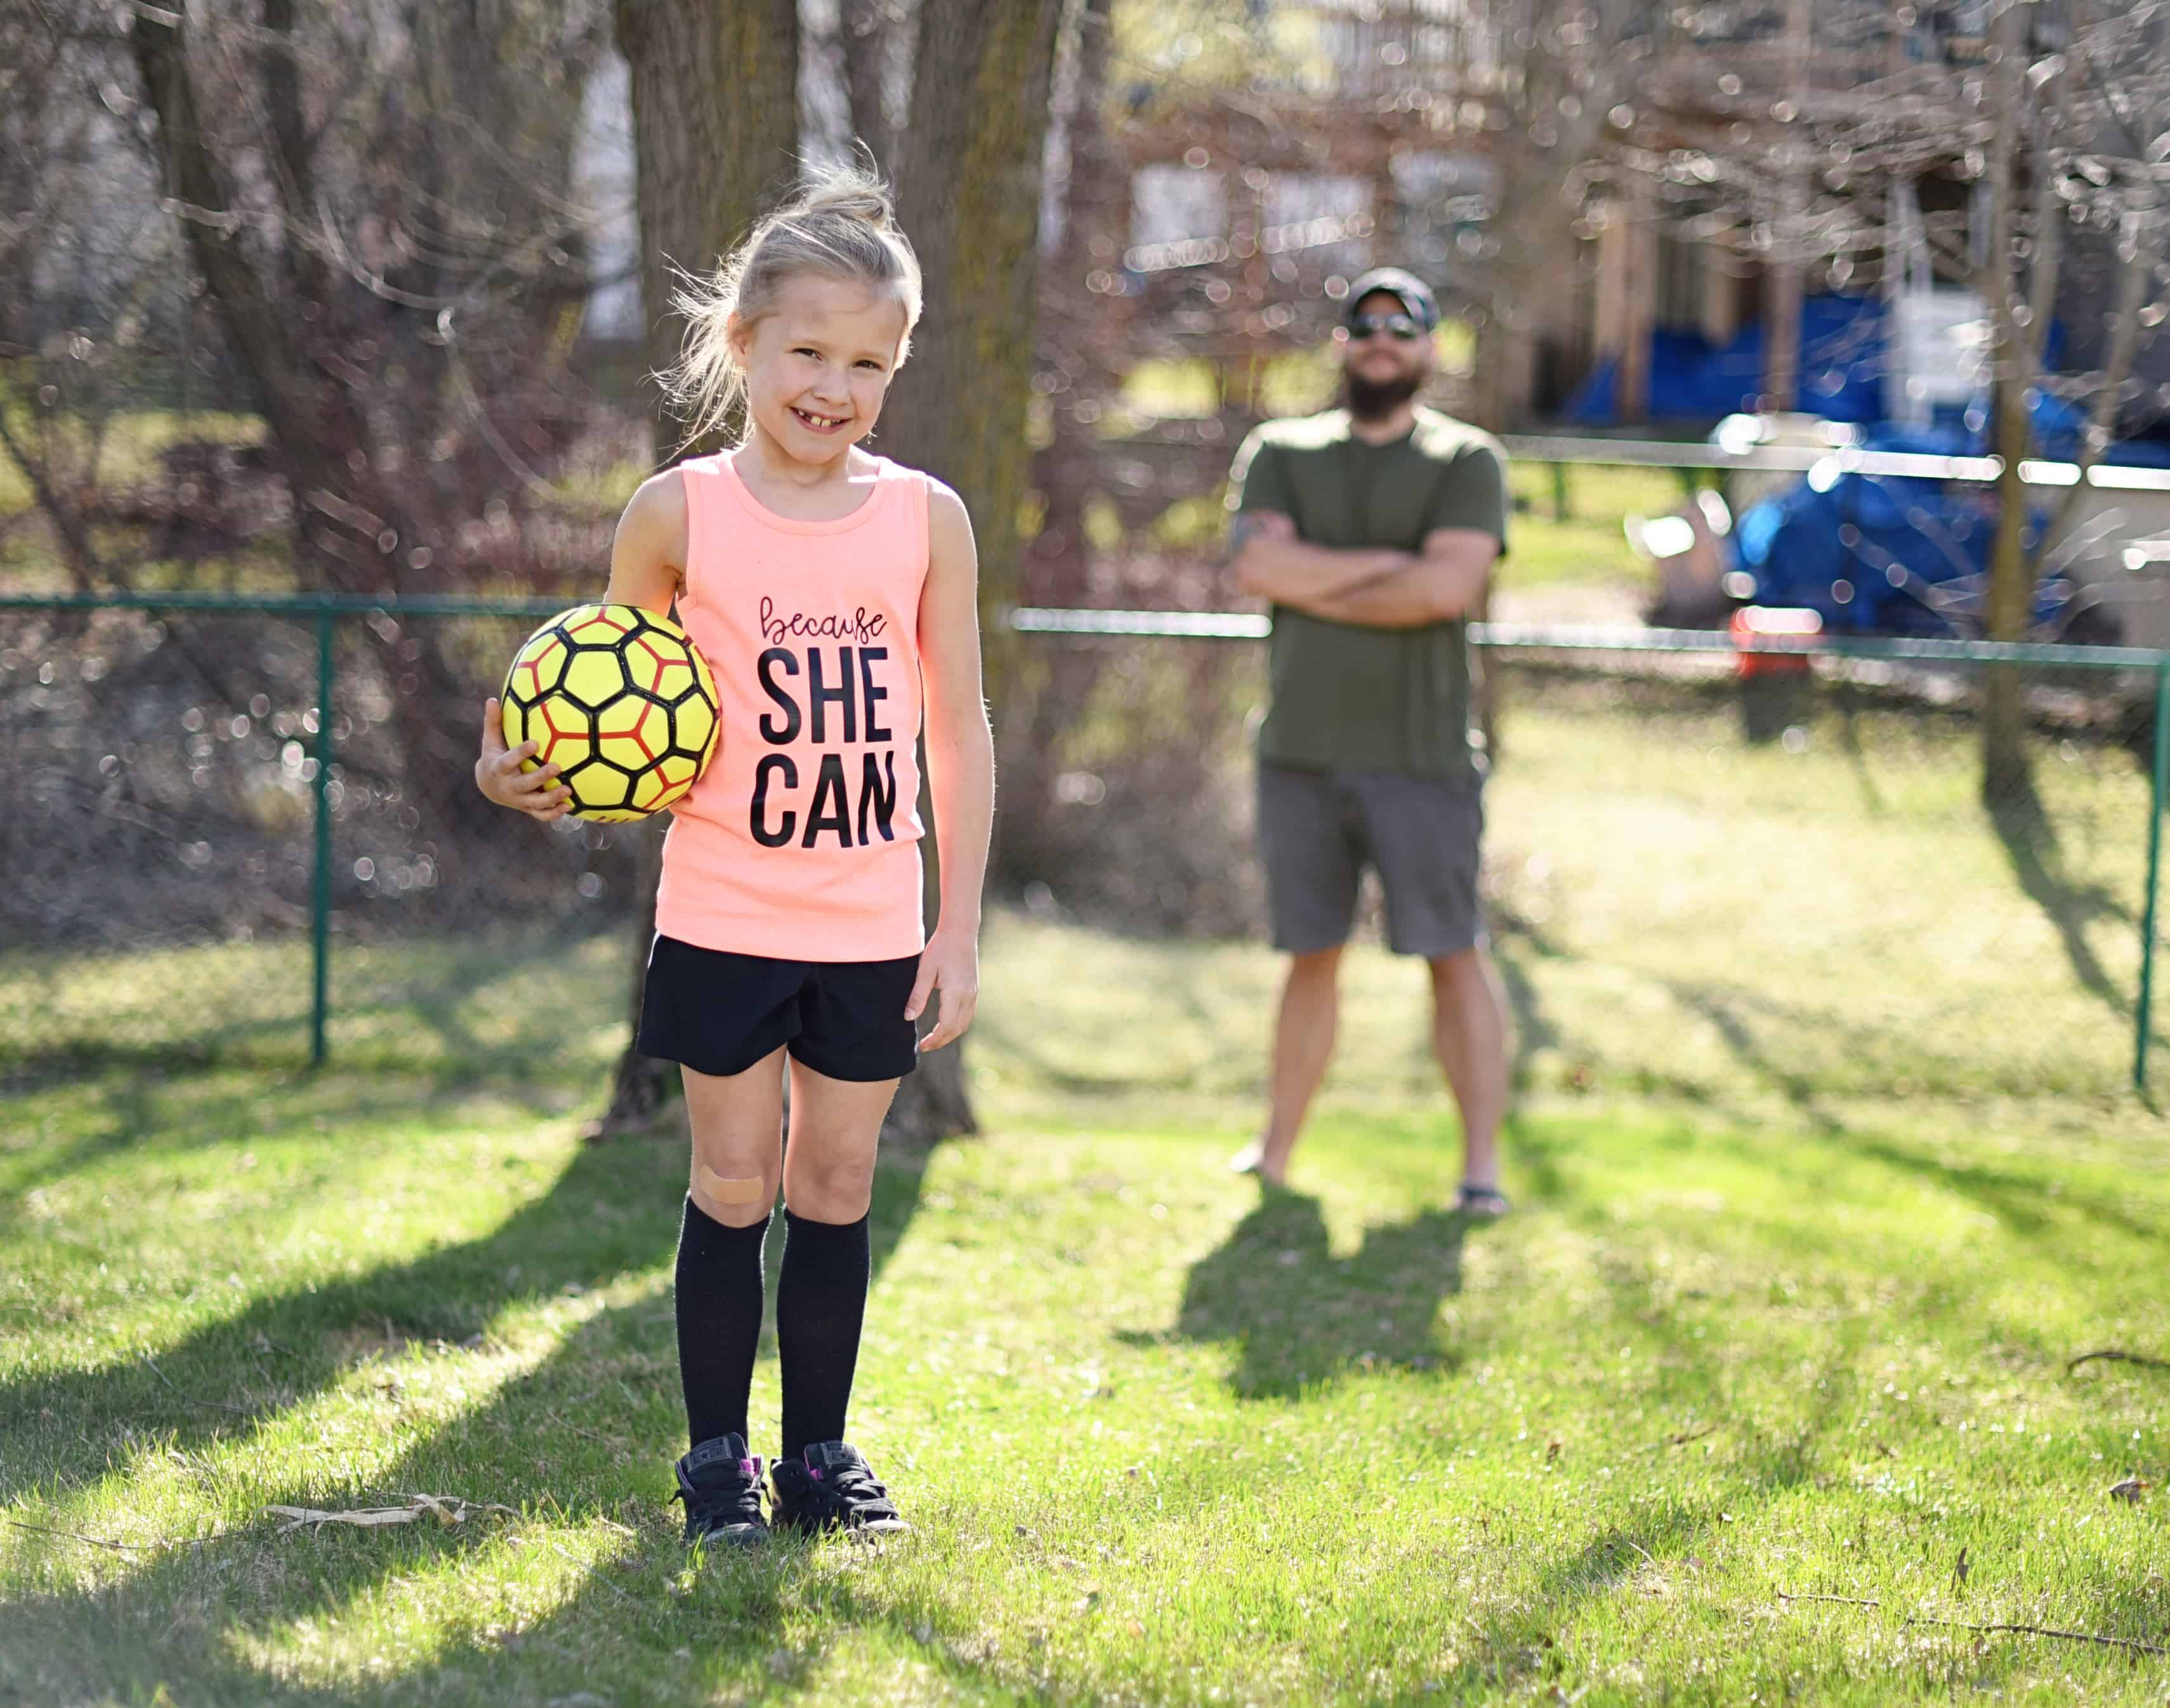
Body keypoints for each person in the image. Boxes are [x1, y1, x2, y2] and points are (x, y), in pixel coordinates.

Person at [473, 164, 994, 1546]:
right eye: (810, 351)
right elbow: (600, 705)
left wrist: (957, 924)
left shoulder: (926, 518)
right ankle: (717, 1460)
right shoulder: (677, 513)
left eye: (869, 362)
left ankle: (818, 1454)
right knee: (732, 1179)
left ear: (898, 369)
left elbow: (960, 727)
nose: (836, 385)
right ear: (745, 342)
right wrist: (513, 771)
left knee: (835, 1183)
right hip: (723, 908)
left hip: (873, 917)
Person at [1221, 267, 1513, 1216]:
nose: (1382, 339)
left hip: (1422, 756)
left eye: (1404, 326)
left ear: (1430, 349)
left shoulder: (1466, 461)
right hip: (1299, 752)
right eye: (1364, 325)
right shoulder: (1280, 450)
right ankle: (1274, 1156)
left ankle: (1479, 1171)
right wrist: (1391, 564)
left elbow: (1443, 593)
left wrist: (1318, 575)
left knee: (1452, 953)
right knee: (1310, 955)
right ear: (1342, 344)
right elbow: (1255, 565)